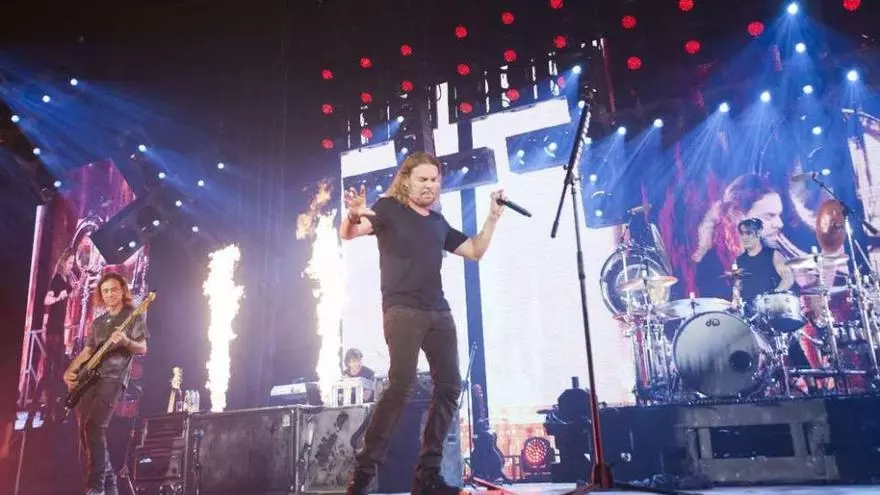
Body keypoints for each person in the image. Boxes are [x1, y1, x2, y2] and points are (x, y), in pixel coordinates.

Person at [340, 151, 506, 495]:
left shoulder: (437, 222)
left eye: (434, 180)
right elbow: (351, 232)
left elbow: (475, 250)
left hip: (438, 312)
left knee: (450, 387)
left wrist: (492, 216)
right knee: (400, 385)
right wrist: (353, 215)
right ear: (406, 181)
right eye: (423, 179)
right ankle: (363, 475)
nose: (430, 185)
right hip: (402, 310)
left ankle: (427, 475)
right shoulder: (389, 208)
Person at [63, 273, 149, 495]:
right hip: (89, 378)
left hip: (113, 378)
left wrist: (126, 341)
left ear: (122, 291)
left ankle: (96, 486)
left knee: (94, 425)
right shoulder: (99, 322)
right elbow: (87, 352)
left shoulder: (133, 316)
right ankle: (111, 489)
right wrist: (71, 370)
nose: (110, 294)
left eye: (114, 289)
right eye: (105, 291)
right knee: (86, 432)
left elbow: (142, 348)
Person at [731, 218, 794, 312]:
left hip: (772, 309)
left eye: (748, 233)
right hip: (749, 311)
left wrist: (773, 297)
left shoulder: (773, 254)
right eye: (742, 233)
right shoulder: (739, 260)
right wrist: (735, 299)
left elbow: (788, 278)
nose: (744, 237)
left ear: (758, 233)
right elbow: (738, 286)